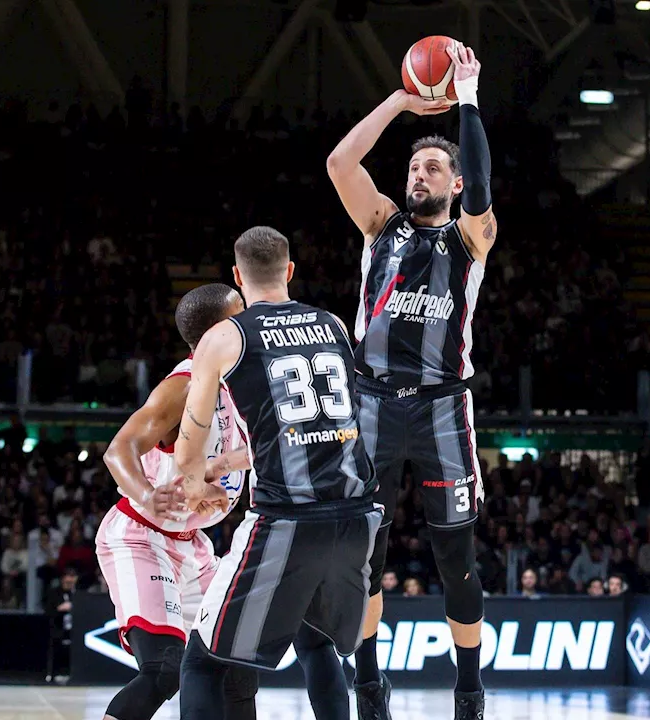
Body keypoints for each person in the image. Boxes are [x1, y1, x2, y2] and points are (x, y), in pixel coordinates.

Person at [326, 40, 495, 720]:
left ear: (454, 185)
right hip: (369, 404)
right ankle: (369, 682)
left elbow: (481, 187)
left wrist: (469, 101)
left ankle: (469, 687)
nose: (419, 173)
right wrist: (399, 99)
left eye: (433, 166)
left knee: (456, 557)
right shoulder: (380, 226)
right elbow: (341, 162)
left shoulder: (469, 239)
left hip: (442, 409)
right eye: (414, 165)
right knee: (364, 554)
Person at [175, 227, 380, 720]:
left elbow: (189, 443)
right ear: (289, 271)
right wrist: (228, 462)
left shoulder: (225, 335)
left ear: (236, 277)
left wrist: (196, 481)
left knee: (201, 663)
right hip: (357, 516)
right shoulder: (332, 323)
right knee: (317, 644)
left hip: (286, 519)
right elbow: (323, 423)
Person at [95, 284, 257, 720]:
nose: (249, 322)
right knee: (164, 670)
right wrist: (149, 494)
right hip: (141, 535)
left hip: (194, 544)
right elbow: (118, 450)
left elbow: (210, 459)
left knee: (235, 668)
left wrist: (221, 466)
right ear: (217, 332)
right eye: (239, 316)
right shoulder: (181, 387)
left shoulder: (236, 381)